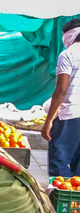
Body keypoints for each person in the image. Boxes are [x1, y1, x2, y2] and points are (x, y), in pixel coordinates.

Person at [42, 17, 80, 176]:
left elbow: (61, 90)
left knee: (61, 165)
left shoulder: (67, 54)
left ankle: (60, 199)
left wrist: (48, 121)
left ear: (69, 35)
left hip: (68, 118)